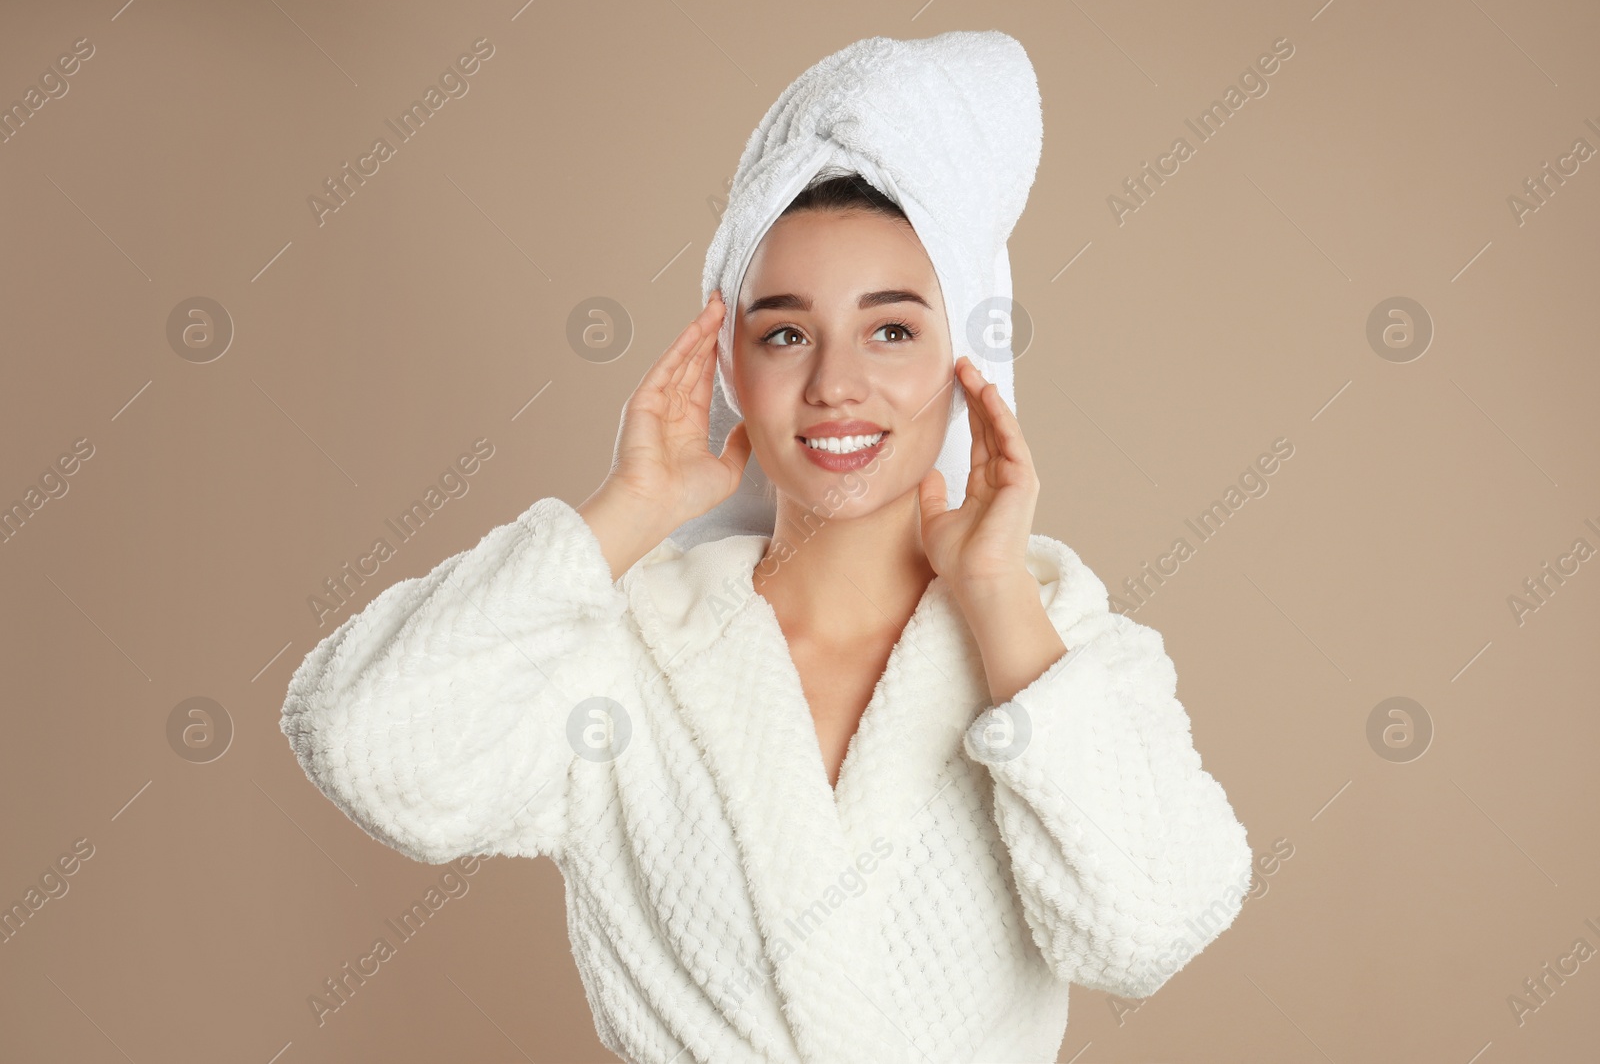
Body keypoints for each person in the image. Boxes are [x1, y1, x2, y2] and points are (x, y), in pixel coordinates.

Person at [279, 173, 1253, 1064]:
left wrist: (997, 593)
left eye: (891, 330)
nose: (833, 381)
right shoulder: (625, 653)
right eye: (785, 332)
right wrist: (626, 510)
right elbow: (366, 742)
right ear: (729, 371)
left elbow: (1152, 928)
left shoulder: (1054, 646)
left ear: (964, 361)